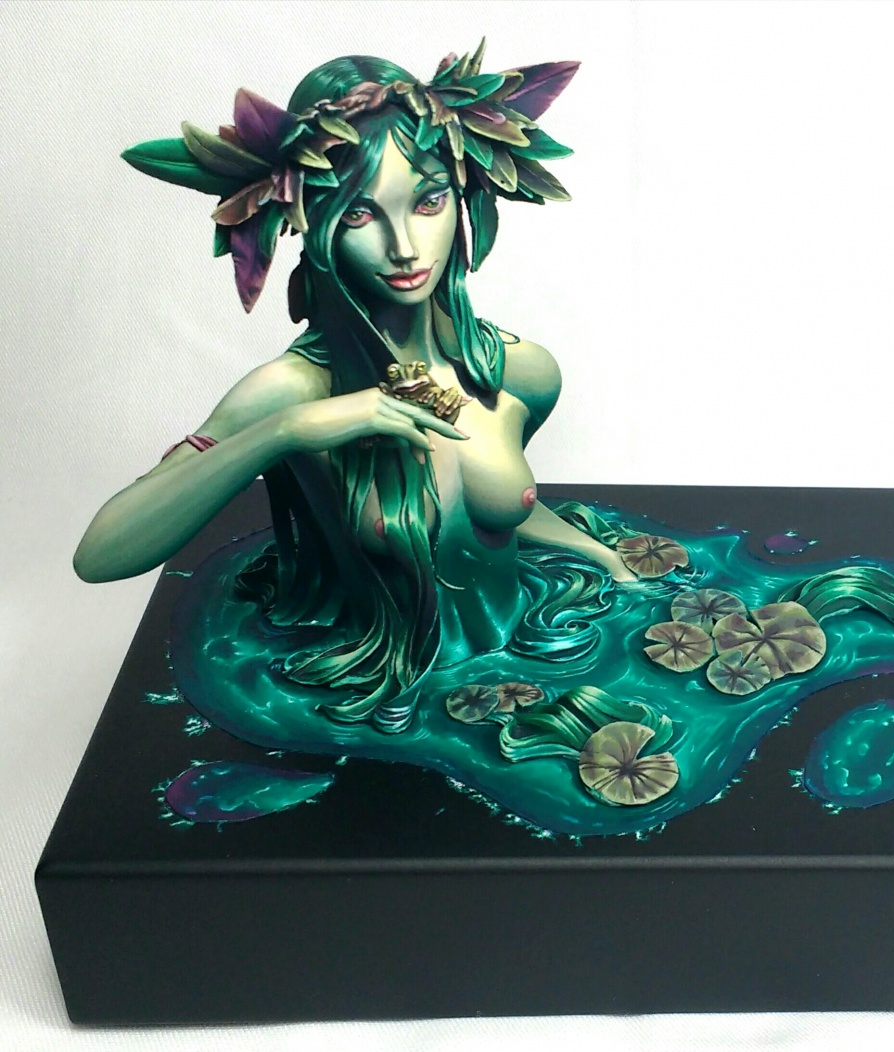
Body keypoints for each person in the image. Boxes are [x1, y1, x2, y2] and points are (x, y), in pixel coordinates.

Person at [75, 46, 636, 733]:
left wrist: (600, 555)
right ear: (313, 223)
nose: (405, 247)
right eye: (361, 214)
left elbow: (487, 522)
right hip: (375, 703)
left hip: (526, 670)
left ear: (464, 199)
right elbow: (100, 555)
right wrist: (287, 432)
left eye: (428, 201)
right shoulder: (293, 389)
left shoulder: (515, 371)